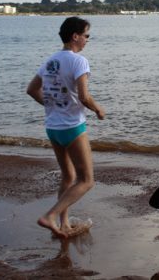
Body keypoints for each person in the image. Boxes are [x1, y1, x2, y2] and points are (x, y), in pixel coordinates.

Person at [26, 16, 105, 239]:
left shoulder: (50, 61)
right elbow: (84, 96)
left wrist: (53, 105)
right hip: (72, 127)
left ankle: (64, 224)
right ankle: (50, 216)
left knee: (68, 177)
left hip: (52, 127)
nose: (88, 40)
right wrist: (98, 109)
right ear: (75, 36)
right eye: (86, 35)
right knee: (87, 180)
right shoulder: (79, 61)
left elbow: (32, 90)